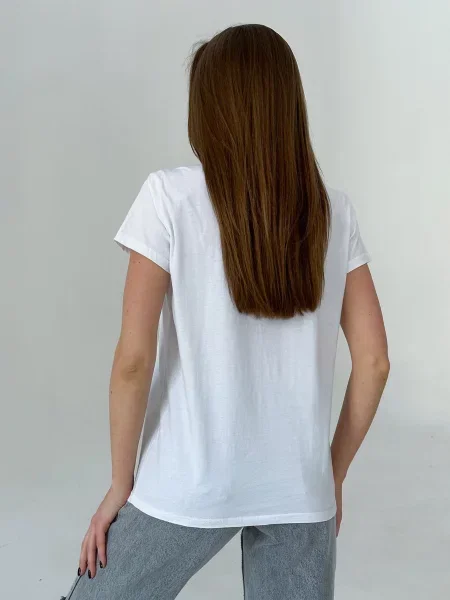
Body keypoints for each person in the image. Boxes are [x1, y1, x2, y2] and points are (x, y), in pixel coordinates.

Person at [62, 23, 389, 600]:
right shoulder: (333, 211)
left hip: (186, 483)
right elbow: (375, 362)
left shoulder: (168, 198)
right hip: (299, 492)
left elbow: (133, 361)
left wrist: (120, 484)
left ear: (209, 111)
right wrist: (330, 475)